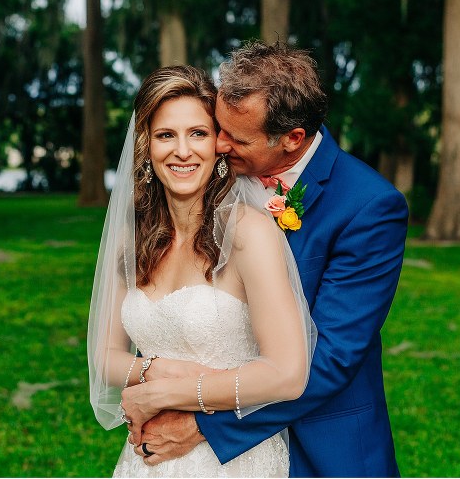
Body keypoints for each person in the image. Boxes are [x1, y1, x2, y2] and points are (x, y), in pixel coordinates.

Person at [133, 42, 409, 477]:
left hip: (322, 448)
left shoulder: (369, 207)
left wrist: (206, 424)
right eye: (217, 128)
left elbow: (331, 358)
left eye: (235, 137)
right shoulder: (216, 180)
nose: (219, 146)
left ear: (292, 139)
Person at [87, 65, 318, 477]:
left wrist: (164, 394)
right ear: (146, 145)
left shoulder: (248, 233)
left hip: (234, 460)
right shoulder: (132, 238)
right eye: (165, 135)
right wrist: (154, 370)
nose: (182, 150)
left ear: (219, 144)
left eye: (197, 133)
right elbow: (104, 356)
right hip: (149, 460)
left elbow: (288, 374)